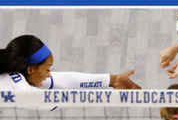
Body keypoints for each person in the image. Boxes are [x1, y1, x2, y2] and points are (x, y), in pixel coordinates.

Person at [0, 35, 140, 95]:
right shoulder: (12, 83)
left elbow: (64, 80)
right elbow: (48, 103)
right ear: (30, 69)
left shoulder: (15, 72)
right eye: (47, 69)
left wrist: (113, 80)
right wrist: (108, 96)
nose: (49, 75)